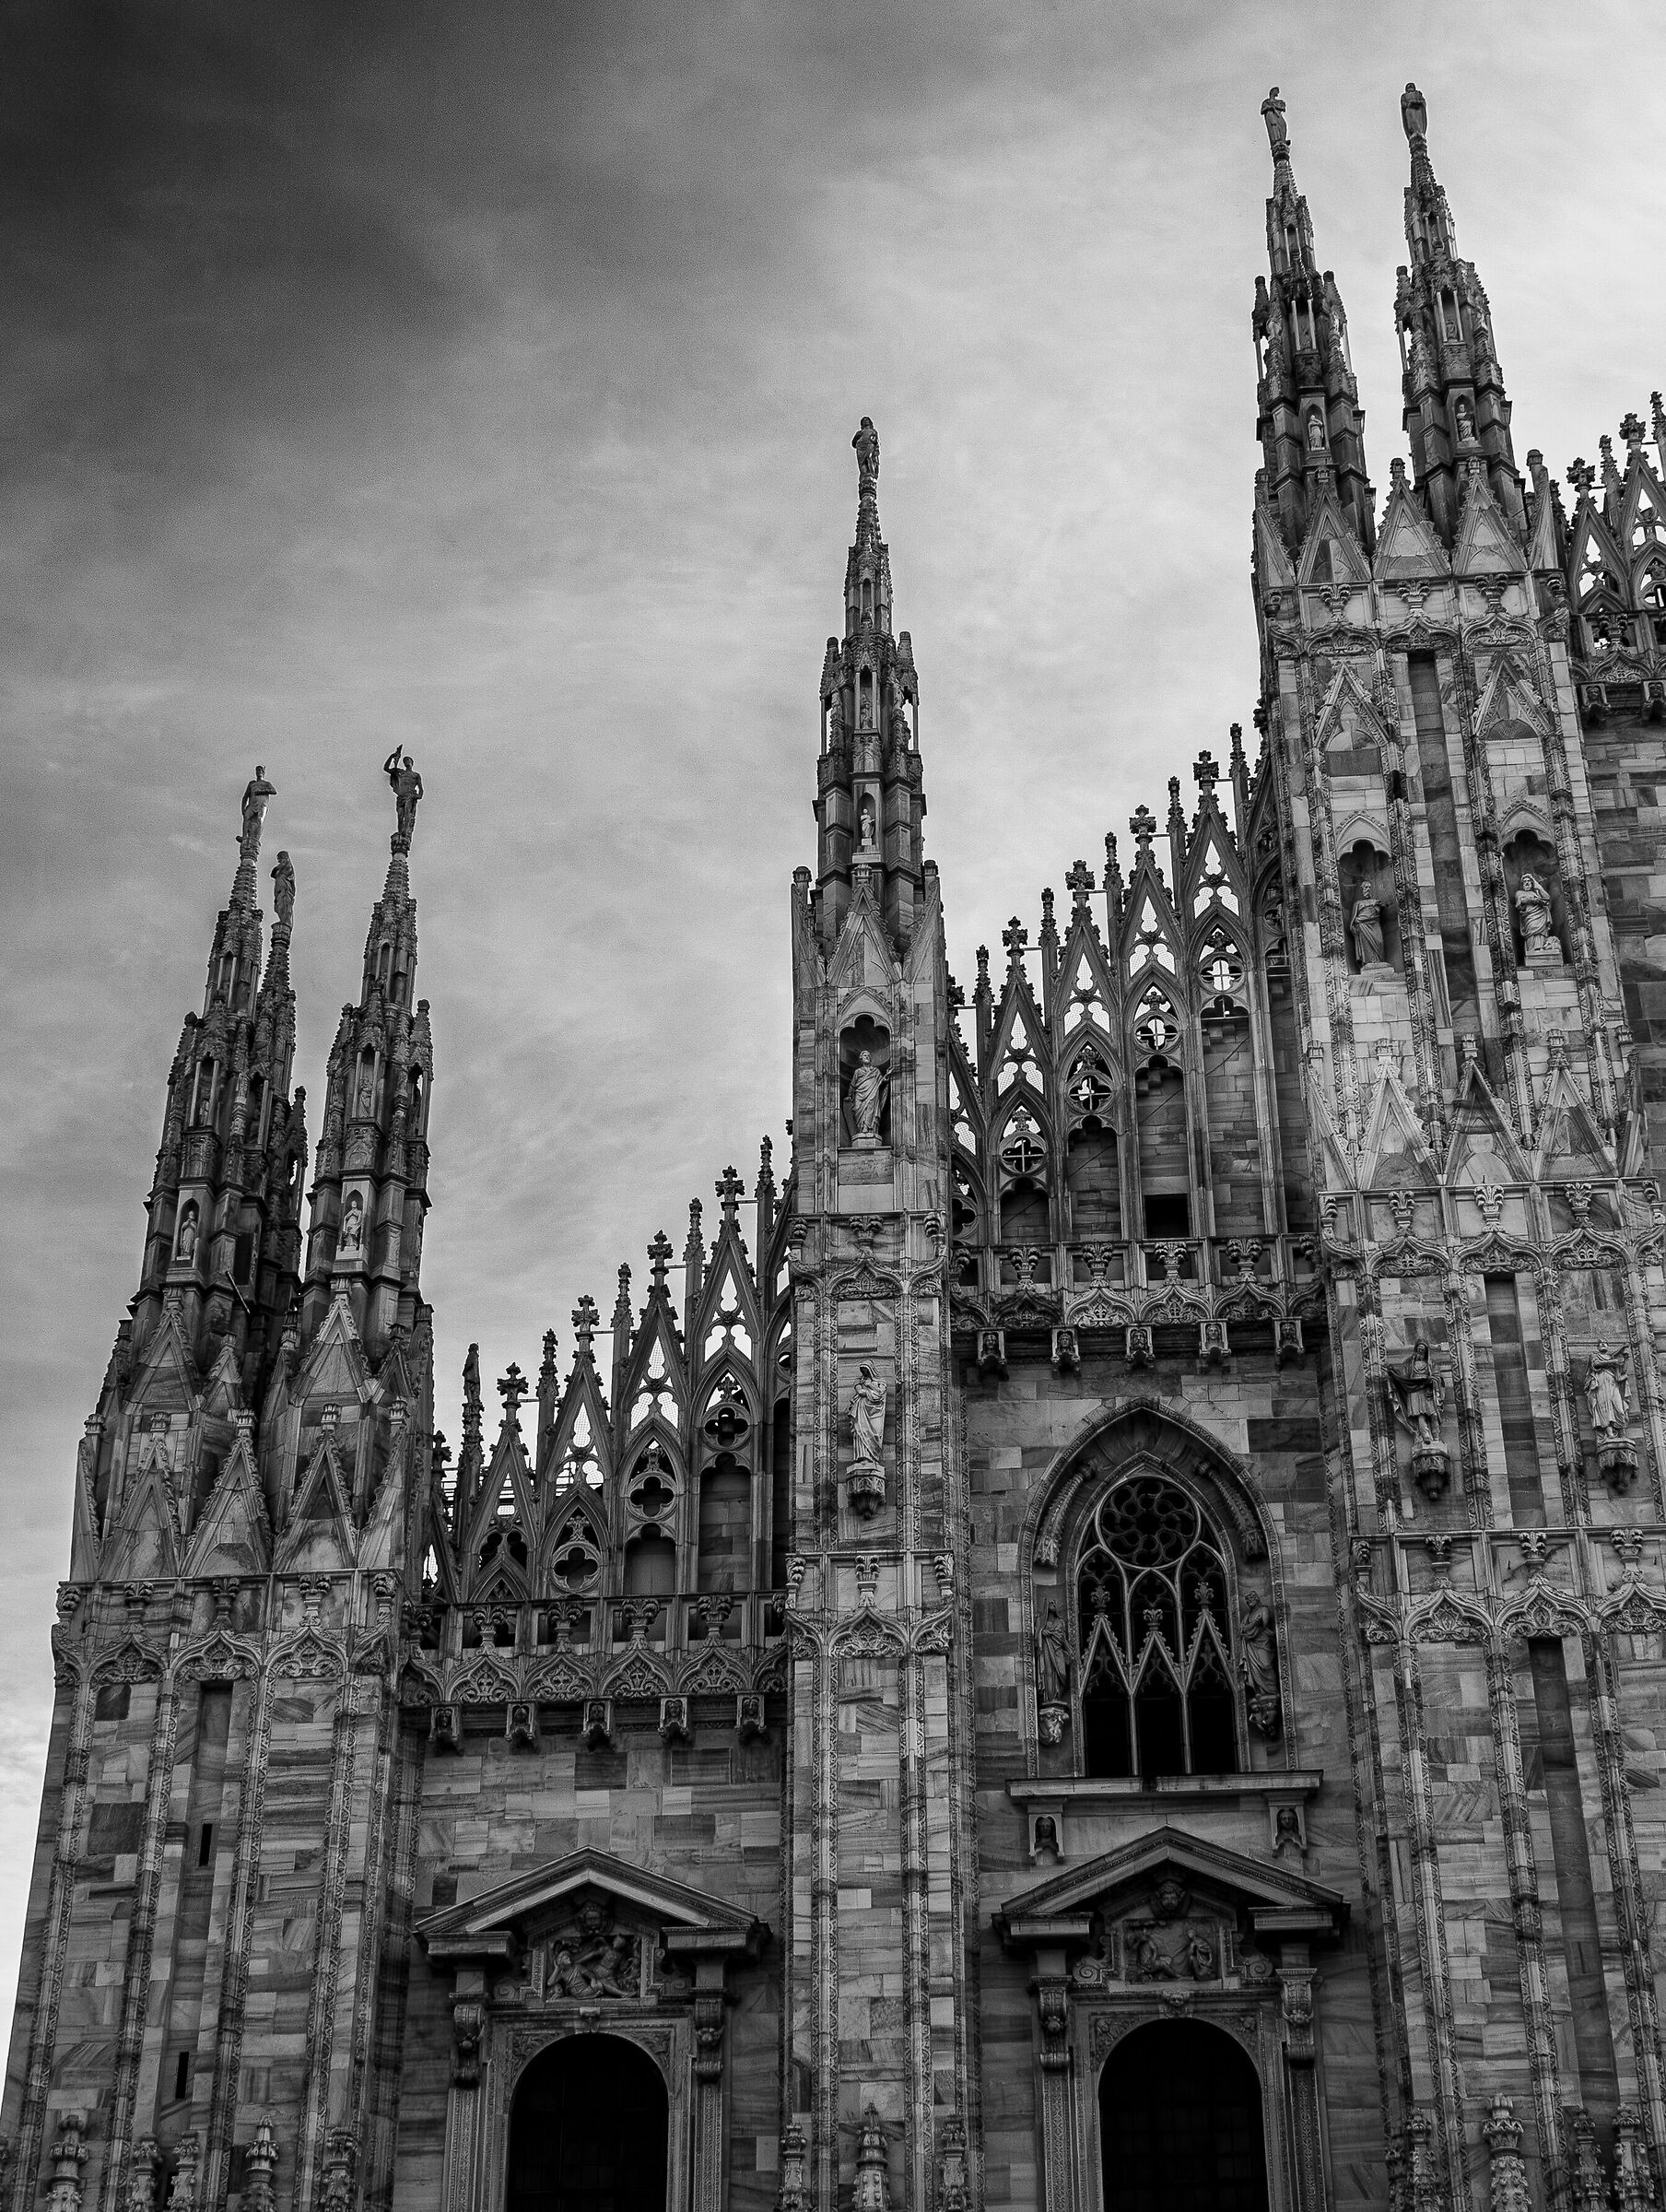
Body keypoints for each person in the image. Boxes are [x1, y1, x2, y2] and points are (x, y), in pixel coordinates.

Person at [1585, 1342, 1631, 1439]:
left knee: (1620, 1409)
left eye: (1605, 1343)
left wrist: (1623, 1351)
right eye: (1600, 1344)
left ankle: (1622, 1432)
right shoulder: (1594, 1356)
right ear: (1597, 1347)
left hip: (1613, 1384)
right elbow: (1596, 1364)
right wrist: (1613, 1361)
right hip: (1600, 1384)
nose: (1603, 1345)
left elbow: (1622, 1371)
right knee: (1605, 1408)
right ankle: (1610, 1434)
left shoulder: (1611, 1358)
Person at [382, 748, 424, 841]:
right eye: (405, 760)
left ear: (412, 762)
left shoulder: (416, 775)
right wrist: (392, 756)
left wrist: (419, 795)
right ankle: (401, 832)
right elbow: (386, 768)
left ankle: (405, 831)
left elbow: (421, 788)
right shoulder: (400, 772)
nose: (407, 762)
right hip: (401, 796)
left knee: (407, 812)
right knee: (400, 815)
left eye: (408, 760)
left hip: (410, 795)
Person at [851, 1362, 886, 1466]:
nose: (864, 1373)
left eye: (866, 1370)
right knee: (861, 1432)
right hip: (861, 1409)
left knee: (875, 1433)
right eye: (863, 1370)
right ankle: (863, 1457)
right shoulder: (859, 1381)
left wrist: (869, 1385)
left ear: (872, 1370)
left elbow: (881, 1393)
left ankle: (874, 1458)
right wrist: (868, 1391)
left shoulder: (881, 1381)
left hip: (876, 1411)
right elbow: (860, 1392)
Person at [1036, 1602, 1071, 1706]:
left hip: (1058, 1650)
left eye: (1054, 1604)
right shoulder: (1041, 1622)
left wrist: (1069, 1650)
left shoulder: (1060, 1622)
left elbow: (1063, 1638)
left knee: (1061, 1672)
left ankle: (1057, 1695)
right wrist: (1041, 1632)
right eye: (1050, 1604)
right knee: (1049, 1672)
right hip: (1046, 1647)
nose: (1052, 1605)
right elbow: (1036, 1639)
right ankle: (1050, 1698)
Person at [849, 1049, 888, 1137]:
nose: (866, 1057)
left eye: (868, 1056)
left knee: (870, 1108)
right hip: (859, 1094)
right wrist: (849, 1095)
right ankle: (860, 1129)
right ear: (861, 1059)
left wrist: (886, 1076)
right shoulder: (858, 1072)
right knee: (858, 1111)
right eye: (864, 1055)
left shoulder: (876, 1071)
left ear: (870, 1059)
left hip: (872, 1093)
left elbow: (881, 1081)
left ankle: (868, 1129)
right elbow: (852, 1085)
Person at [1350, 891, 1386, 968]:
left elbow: (1377, 912)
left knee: (1379, 942)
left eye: (1369, 887)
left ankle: (1379, 960)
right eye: (1365, 887)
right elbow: (1354, 919)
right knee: (1366, 944)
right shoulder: (1358, 903)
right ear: (1361, 890)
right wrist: (1358, 922)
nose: (1368, 890)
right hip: (1363, 927)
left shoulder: (1376, 901)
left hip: (1374, 924)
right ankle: (1368, 962)